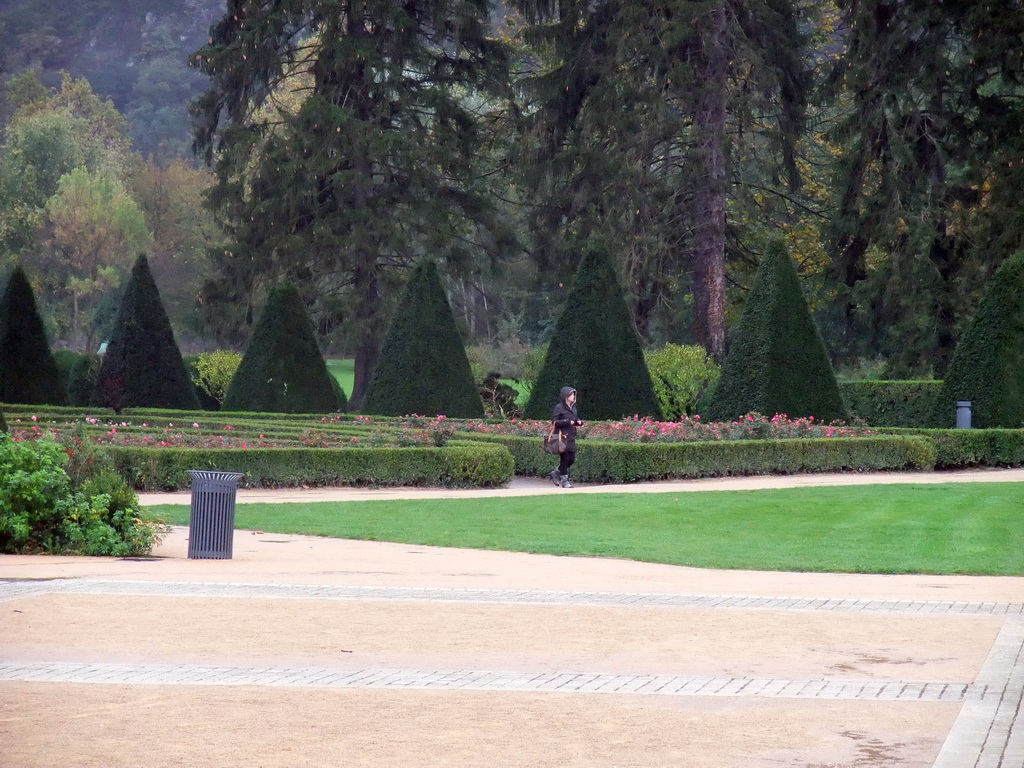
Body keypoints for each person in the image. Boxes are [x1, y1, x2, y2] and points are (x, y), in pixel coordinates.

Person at [549, 386, 583, 488]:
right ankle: (565, 481)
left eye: (573, 395)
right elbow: (554, 422)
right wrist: (567, 422)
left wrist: (579, 422)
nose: (573, 396)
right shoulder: (559, 408)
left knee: (571, 459)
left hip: (571, 437)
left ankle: (556, 472)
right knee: (565, 458)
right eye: (571, 395)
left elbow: (574, 420)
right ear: (566, 396)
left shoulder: (573, 408)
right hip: (562, 437)